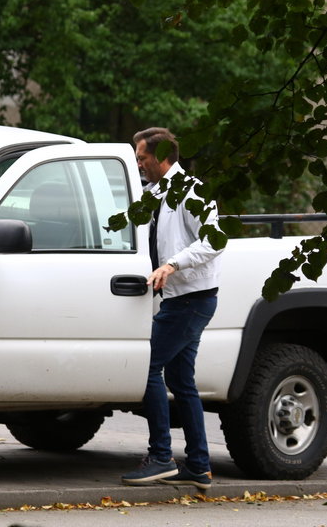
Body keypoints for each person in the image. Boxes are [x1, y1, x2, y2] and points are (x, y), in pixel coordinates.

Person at [121, 127, 224, 490]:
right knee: (181, 382)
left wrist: (172, 265)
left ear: (162, 155)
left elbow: (215, 240)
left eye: (142, 158)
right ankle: (198, 466)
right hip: (183, 299)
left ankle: (161, 457)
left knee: (147, 368)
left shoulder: (192, 191)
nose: (138, 164)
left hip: (192, 300)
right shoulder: (155, 194)